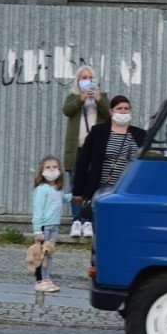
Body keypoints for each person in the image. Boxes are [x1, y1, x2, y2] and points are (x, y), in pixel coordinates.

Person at [72, 95, 146, 219]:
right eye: (119, 108)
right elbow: (83, 161)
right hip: (102, 189)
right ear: (111, 111)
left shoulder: (140, 134)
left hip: (128, 191)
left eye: (126, 108)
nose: (123, 111)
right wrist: (78, 190)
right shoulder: (98, 132)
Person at [62, 65, 109, 238]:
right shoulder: (73, 97)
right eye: (83, 77)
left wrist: (98, 99)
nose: (86, 80)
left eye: (90, 77)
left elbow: (109, 114)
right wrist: (81, 99)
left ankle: (88, 221)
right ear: (78, 80)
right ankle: (77, 220)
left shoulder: (101, 97)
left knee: (92, 185)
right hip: (76, 149)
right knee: (76, 185)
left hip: (94, 149)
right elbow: (67, 111)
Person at [31, 155, 71, 293]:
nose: (52, 170)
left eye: (55, 167)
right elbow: (37, 211)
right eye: (48, 167)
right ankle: (40, 281)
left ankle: (47, 278)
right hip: (44, 226)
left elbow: (61, 199)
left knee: (49, 254)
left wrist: (73, 196)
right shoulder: (41, 190)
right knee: (40, 254)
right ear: (42, 170)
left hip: (55, 225)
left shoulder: (58, 189)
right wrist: (38, 230)